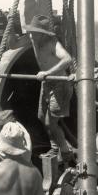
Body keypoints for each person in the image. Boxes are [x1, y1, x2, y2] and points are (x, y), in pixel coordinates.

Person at [26, 14, 74, 162]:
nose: (31, 34)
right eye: (31, 31)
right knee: (42, 117)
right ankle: (55, 148)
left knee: (50, 122)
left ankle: (65, 152)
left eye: (34, 32)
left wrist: (47, 73)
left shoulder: (52, 43)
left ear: (42, 34)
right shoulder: (33, 39)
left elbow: (67, 59)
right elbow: (13, 45)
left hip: (59, 84)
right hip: (47, 83)